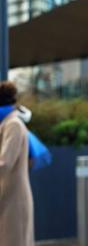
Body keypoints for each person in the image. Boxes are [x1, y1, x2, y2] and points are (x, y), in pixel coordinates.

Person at [0, 81, 34, 246]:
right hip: (7, 197)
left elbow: (5, 163)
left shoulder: (13, 125)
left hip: (14, 200)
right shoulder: (7, 123)